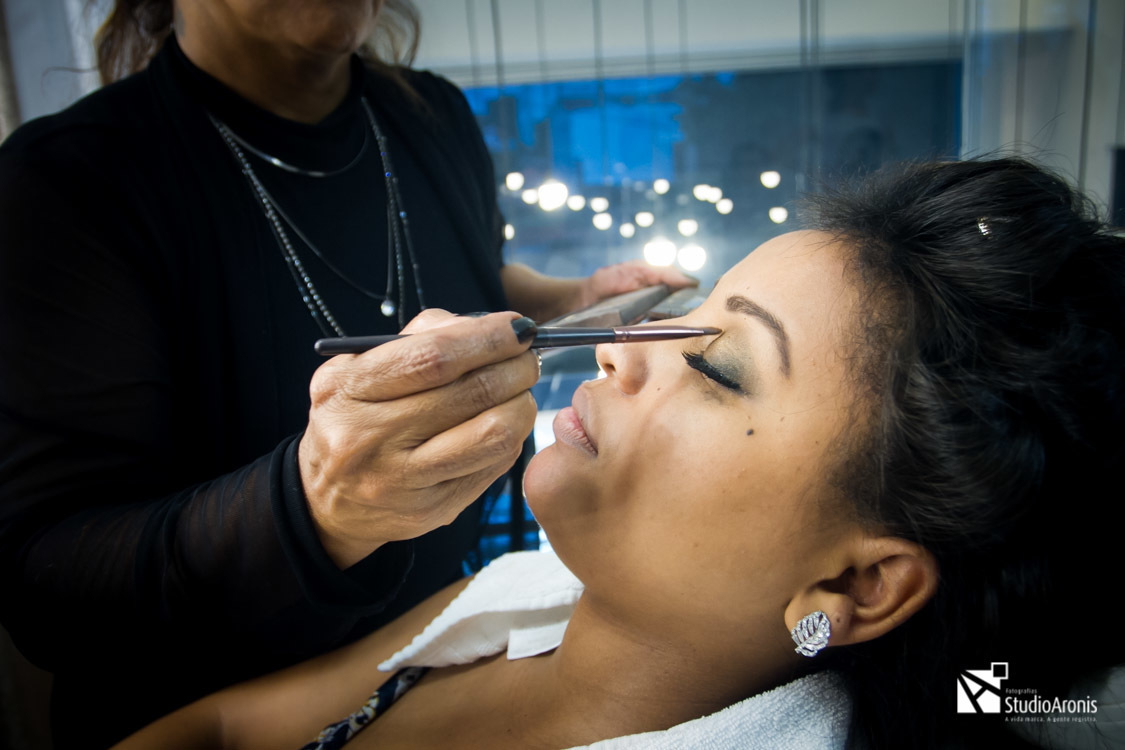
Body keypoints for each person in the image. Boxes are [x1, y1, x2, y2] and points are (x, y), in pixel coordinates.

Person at [112, 157, 1125, 749]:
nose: (616, 347)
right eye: (677, 318)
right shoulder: (536, 584)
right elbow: (224, 733)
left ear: (855, 585)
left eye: (718, 368)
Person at [0, 1, 690, 747]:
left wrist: (571, 300)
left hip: (424, 667)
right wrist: (314, 507)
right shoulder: (65, 182)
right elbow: (48, 594)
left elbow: (471, 272)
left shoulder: (431, 116)